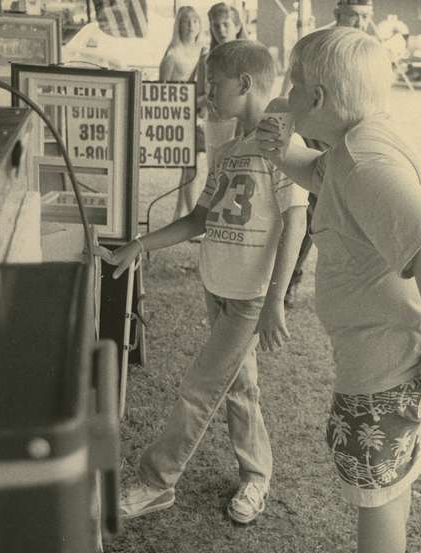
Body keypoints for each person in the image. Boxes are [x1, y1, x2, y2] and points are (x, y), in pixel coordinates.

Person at [258, 27, 421, 553]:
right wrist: (282, 153)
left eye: (293, 85)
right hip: (382, 357)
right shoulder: (354, 144)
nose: (287, 95)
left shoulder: (368, 162)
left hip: (391, 363)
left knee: (377, 489)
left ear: (317, 94)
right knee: (382, 484)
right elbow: (320, 173)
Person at [102, 40, 308, 522]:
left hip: (251, 298)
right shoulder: (230, 150)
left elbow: (296, 222)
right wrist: (141, 245)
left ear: (244, 83)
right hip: (218, 287)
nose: (206, 90)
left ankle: (157, 481)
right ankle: (257, 476)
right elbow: (199, 217)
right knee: (238, 388)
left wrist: (276, 299)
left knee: (199, 388)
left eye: (213, 82)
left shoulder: (285, 149)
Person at [282, 0, 375, 309]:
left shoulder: (369, 47)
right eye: (355, 15)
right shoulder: (317, 44)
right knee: (310, 208)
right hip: (315, 135)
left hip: (350, 137)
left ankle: (349, 281)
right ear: (337, 14)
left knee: (352, 209)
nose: (361, 22)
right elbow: (290, 92)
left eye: (366, 16)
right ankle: (290, 278)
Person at [159, 6, 206, 220]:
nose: (191, 26)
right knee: (191, 169)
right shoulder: (172, 55)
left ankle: (179, 214)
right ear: (178, 25)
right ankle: (192, 219)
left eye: (195, 21)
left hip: (200, 116)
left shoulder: (202, 52)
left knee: (188, 168)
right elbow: (162, 92)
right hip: (181, 116)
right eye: (186, 22)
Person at [201, 2, 249, 172]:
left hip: (241, 123)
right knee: (215, 172)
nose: (221, 30)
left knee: (237, 172)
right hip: (216, 123)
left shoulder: (249, 56)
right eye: (216, 25)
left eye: (225, 24)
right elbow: (200, 94)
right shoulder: (207, 58)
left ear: (237, 26)